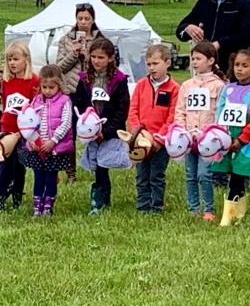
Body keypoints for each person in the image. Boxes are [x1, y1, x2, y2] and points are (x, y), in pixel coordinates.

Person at [211, 47, 250, 226]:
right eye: (237, 65)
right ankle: (239, 212)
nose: (239, 69)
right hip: (227, 137)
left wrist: (242, 139)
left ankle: (227, 217)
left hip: (247, 140)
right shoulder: (227, 88)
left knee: (239, 174)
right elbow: (220, 112)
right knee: (233, 173)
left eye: (245, 65)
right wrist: (221, 135)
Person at [74, 38, 130, 214]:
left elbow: (122, 109)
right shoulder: (84, 79)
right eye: (93, 57)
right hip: (91, 131)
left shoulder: (119, 81)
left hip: (109, 131)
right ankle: (99, 198)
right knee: (97, 164)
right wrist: (86, 127)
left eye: (101, 57)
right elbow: (79, 103)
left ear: (111, 58)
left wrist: (105, 131)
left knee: (103, 163)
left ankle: (101, 199)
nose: (96, 61)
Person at [173, 41, 226, 222]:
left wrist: (214, 134)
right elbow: (180, 110)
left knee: (204, 174)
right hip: (188, 137)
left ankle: (209, 209)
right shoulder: (186, 85)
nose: (194, 62)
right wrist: (181, 131)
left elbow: (220, 112)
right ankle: (193, 208)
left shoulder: (219, 86)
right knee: (190, 174)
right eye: (192, 58)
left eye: (198, 58)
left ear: (211, 60)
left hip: (207, 139)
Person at [54, 2, 105, 182]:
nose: (83, 22)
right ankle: (71, 173)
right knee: (69, 132)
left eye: (87, 19)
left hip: (94, 90)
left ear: (93, 20)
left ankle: (97, 166)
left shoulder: (101, 40)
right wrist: (74, 54)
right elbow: (58, 68)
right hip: (71, 91)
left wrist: (89, 56)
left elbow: (105, 64)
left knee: (95, 129)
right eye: (80, 18)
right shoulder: (66, 40)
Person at [127, 44, 180, 214]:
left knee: (156, 176)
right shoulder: (141, 85)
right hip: (141, 140)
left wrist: (158, 139)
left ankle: (156, 206)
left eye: (156, 63)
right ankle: (143, 206)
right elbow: (133, 110)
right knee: (141, 175)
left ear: (167, 63)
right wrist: (138, 133)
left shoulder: (174, 89)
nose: (152, 68)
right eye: (149, 64)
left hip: (160, 143)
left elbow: (172, 117)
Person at [18, 64, 74, 217]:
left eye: (51, 87)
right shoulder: (36, 101)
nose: (48, 90)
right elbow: (30, 122)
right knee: (38, 177)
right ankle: (37, 206)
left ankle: (48, 206)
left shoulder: (64, 101)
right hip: (37, 148)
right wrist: (31, 140)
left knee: (50, 177)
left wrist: (53, 140)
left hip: (54, 148)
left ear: (59, 85)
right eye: (45, 87)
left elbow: (66, 123)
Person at [0, 41, 39, 211]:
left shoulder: (34, 81)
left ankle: (17, 198)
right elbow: (5, 104)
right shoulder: (6, 81)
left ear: (26, 60)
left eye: (15, 59)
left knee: (20, 165)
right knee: (5, 165)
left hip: (24, 131)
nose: (12, 63)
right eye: (9, 60)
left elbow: (36, 106)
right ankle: (0, 199)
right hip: (7, 129)